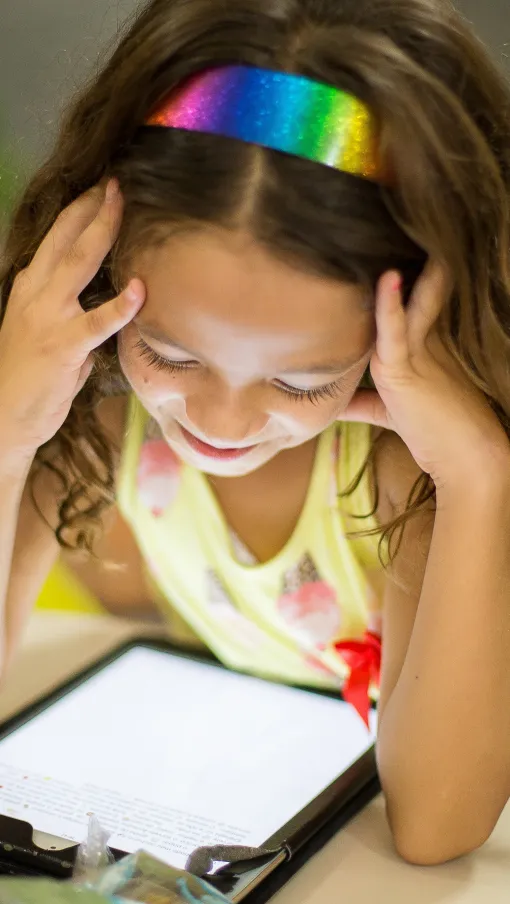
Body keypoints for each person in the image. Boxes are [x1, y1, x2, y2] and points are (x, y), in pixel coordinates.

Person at [1, 0, 510, 867]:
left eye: (300, 379)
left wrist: (480, 476)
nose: (218, 422)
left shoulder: (407, 466)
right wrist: (9, 427)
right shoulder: (86, 402)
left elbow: (437, 827)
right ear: (102, 271)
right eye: (168, 352)